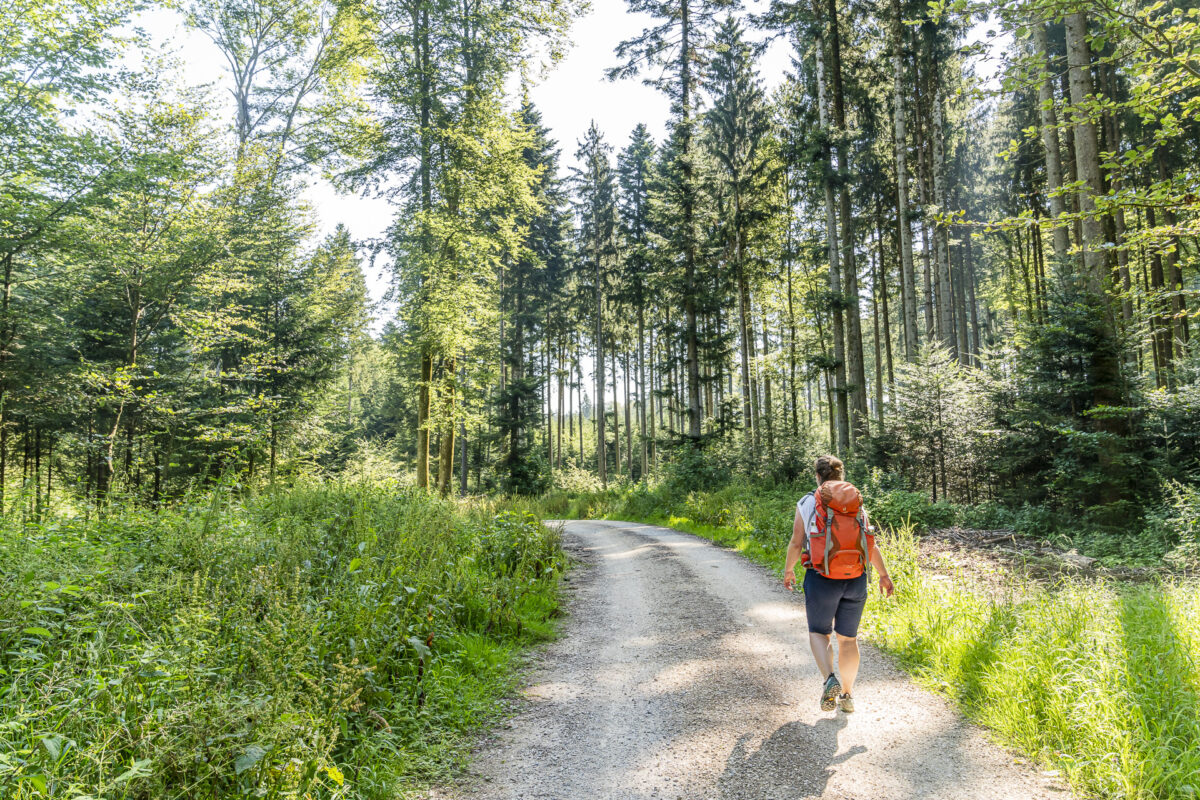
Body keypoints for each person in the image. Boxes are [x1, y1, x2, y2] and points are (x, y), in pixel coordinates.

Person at [784, 455, 894, 713]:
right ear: (841, 476)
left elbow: (796, 542)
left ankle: (829, 679)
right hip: (856, 579)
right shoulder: (855, 502)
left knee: (818, 632)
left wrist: (789, 570)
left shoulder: (809, 501)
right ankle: (847, 695)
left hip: (822, 578)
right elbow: (871, 542)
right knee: (848, 640)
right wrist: (884, 575)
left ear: (817, 476)